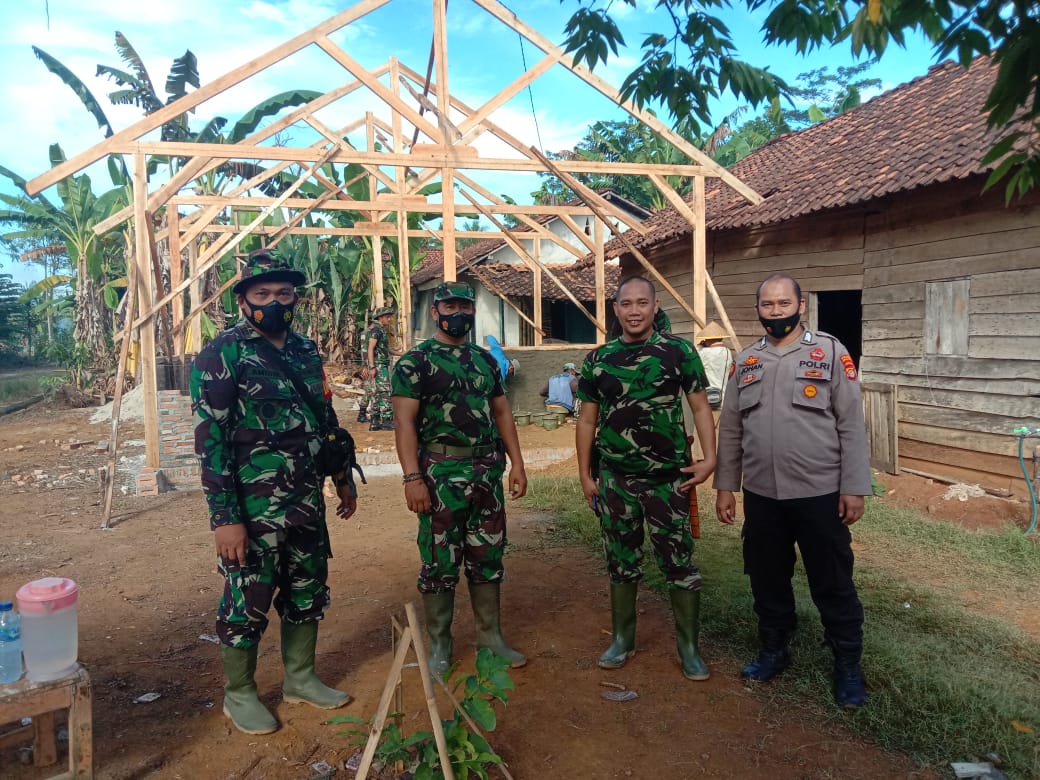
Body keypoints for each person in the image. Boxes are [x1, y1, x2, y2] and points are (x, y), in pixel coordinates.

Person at [190, 249, 358, 735]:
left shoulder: (305, 350)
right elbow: (211, 441)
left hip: (305, 500)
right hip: (253, 507)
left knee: (307, 590)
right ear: (243, 300)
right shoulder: (222, 353)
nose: (274, 302)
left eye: (284, 293)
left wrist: (342, 477)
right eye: (262, 293)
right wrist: (225, 518)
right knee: (248, 597)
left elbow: (324, 420)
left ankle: (300, 679)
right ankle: (239, 693)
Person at [713, 274, 871, 708]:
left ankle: (847, 665)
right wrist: (726, 487)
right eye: (768, 304)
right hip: (763, 495)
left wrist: (854, 486)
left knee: (832, 580)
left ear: (800, 306)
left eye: (784, 303)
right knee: (766, 577)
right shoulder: (745, 361)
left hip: (819, 491)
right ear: (758, 309)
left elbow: (850, 423)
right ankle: (774, 649)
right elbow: (731, 429)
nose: (776, 311)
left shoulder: (830, 352)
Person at [575, 275, 718, 681]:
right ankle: (623, 639)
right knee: (621, 561)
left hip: (668, 480)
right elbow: (587, 420)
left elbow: (701, 407)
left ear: (655, 307)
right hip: (615, 479)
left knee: (679, 562)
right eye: (626, 304)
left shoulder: (678, 351)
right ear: (616, 309)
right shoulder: (598, 359)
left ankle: (689, 649)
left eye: (642, 303)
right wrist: (585, 475)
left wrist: (711, 459)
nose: (634, 311)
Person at [391, 281, 528, 676]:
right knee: (440, 560)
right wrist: (412, 477)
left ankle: (491, 638)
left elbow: (501, 412)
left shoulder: (485, 361)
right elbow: (403, 423)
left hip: (486, 470)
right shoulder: (415, 363)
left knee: (488, 554)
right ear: (435, 312)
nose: (458, 313)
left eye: (464, 307)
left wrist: (517, 463)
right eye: (449, 306)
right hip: (440, 473)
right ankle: (440, 645)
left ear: (472, 311)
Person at [364, 305, 402, 431]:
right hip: (379, 365)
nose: (389, 319)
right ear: (380, 318)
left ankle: (375, 421)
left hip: (379, 364)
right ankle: (386, 420)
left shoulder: (380, 330)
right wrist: (372, 367)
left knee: (375, 392)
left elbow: (385, 349)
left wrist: (402, 353)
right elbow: (370, 348)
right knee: (385, 392)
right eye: (387, 317)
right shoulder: (376, 330)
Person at [695, 320, 735, 410]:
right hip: (724, 398)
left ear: (709, 339)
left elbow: (694, 355)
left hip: (708, 398)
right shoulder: (727, 352)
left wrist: (700, 346)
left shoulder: (704, 352)